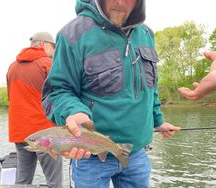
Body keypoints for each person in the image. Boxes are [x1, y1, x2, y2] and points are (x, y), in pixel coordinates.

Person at [42, 0, 180, 187]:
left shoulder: (147, 34)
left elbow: (150, 86)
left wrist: (158, 120)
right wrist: (73, 111)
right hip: (89, 155)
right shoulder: (71, 35)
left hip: (137, 152)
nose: (119, 1)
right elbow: (57, 91)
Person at [6, 32, 63, 187]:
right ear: (43, 44)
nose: (54, 51)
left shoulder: (12, 67)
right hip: (44, 133)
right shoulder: (47, 63)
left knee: (23, 180)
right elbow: (61, 96)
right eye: (53, 47)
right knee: (54, 181)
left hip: (19, 132)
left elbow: (11, 98)